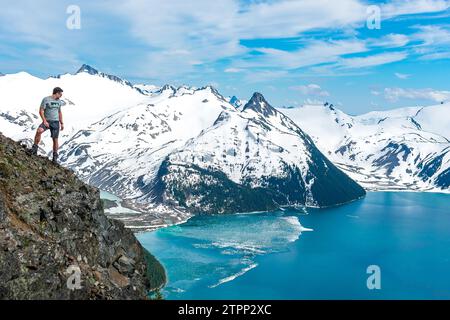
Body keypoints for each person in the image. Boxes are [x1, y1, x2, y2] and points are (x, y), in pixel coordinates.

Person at [30, 87, 66, 163]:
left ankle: (55, 157)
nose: (61, 95)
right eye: (60, 93)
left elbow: (59, 112)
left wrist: (61, 122)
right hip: (47, 121)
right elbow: (41, 110)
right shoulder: (46, 99)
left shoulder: (59, 101)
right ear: (56, 93)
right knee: (39, 131)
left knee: (55, 139)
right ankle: (34, 148)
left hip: (55, 122)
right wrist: (44, 121)